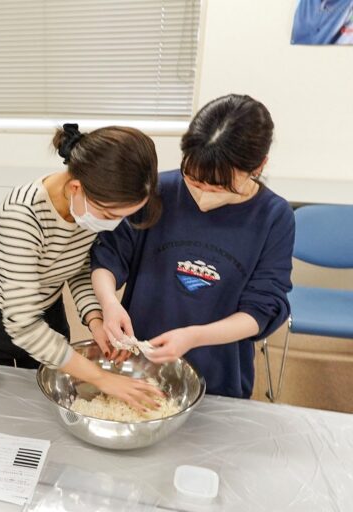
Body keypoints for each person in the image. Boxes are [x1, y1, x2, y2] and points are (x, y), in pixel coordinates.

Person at [91, 94, 294, 399]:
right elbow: (109, 255)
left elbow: (262, 310)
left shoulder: (273, 217)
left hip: (219, 372)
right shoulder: (160, 190)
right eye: (195, 181)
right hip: (141, 366)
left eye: (221, 186)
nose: (204, 193)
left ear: (259, 165)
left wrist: (194, 337)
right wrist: (108, 302)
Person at [0, 124, 165, 410]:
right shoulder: (22, 216)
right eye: (108, 214)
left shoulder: (84, 208)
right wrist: (103, 379)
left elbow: (77, 267)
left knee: (45, 408)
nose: (113, 224)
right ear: (75, 187)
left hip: (49, 310)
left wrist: (96, 318)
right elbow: (24, 326)